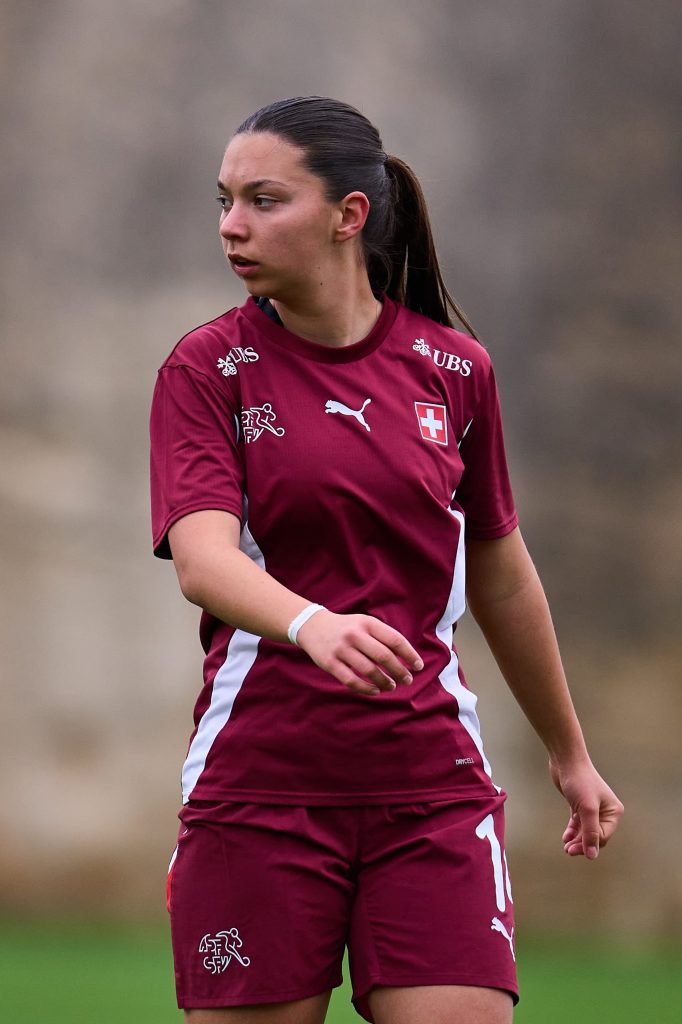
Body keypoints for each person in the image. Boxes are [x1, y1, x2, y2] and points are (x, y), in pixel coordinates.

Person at [149, 96, 623, 1024]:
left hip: (432, 788)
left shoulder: (457, 370)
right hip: (261, 787)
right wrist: (311, 625)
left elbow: (500, 572)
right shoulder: (206, 370)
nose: (232, 225)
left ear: (349, 215)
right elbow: (203, 562)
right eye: (225, 201)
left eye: (264, 200)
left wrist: (569, 754)